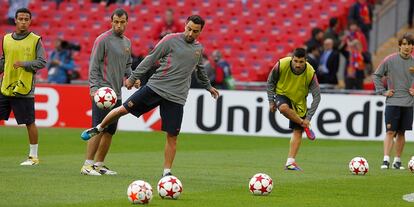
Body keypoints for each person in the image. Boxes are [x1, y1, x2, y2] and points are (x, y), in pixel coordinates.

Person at [81, 15, 219, 177]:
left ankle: (167, 173)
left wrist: (208, 87)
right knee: (123, 109)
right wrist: (133, 77)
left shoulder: (198, 49)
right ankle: (98, 127)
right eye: (188, 29)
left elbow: (200, 70)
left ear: (200, 31)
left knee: (172, 136)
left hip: (176, 97)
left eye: (195, 31)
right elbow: (150, 58)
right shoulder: (170, 40)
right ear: (185, 26)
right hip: (155, 87)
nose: (190, 33)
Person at [80, 8, 132, 176]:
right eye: (116, 22)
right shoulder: (102, 39)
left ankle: (99, 164)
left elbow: (127, 66)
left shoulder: (127, 43)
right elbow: (94, 65)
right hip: (102, 93)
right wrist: (94, 88)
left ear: (126, 22)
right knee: (98, 128)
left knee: (109, 131)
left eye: (122, 22)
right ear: (111, 22)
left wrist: (131, 78)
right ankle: (87, 165)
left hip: (117, 93)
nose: (119, 25)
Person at [0, 8, 47, 165]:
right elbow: (4, 61)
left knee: (29, 122)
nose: (23, 22)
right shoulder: (6, 39)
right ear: (15, 20)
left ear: (30, 21)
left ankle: (33, 157)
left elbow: (42, 62)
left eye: (26, 19)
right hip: (5, 86)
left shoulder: (35, 40)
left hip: (24, 88)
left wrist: (24, 64)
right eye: (20, 19)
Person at [266, 48, 321, 171]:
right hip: (282, 93)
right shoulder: (281, 64)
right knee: (284, 108)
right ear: (291, 58)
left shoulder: (310, 72)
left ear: (305, 61)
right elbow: (270, 82)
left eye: (301, 62)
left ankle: (290, 162)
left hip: (299, 102)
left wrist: (309, 117)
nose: (298, 64)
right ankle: (303, 124)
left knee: (297, 131)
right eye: (295, 61)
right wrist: (271, 101)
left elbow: (317, 96)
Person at [372, 33, 414, 170]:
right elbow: (376, 75)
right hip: (393, 102)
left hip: (408, 103)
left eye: (410, 44)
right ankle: (385, 160)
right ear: (399, 46)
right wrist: (383, 91)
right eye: (405, 44)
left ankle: (397, 161)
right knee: (390, 132)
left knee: (402, 132)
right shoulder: (390, 60)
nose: (407, 47)